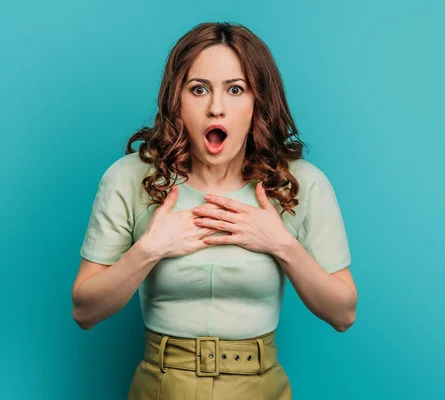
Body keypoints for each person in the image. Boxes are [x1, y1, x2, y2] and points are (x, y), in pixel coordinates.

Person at [71, 21, 357, 399]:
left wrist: (282, 245)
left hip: (260, 386)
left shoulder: (300, 184)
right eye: (199, 89)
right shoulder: (129, 178)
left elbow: (343, 314)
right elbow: (84, 312)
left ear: (258, 101)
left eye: (235, 90)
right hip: (162, 385)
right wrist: (149, 250)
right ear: (177, 99)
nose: (216, 108)